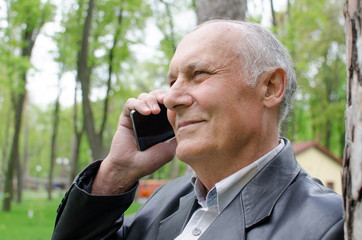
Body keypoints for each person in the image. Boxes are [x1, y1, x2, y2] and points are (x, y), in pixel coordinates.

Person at [51, 20, 343, 240]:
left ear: (270, 87)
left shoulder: (330, 224)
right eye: (172, 81)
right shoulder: (164, 202)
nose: (171, 99)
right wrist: (116, 173)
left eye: (198, 74)